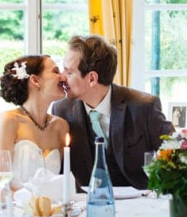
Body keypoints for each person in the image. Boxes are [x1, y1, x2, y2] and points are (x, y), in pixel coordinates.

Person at [53, 35, 174, 190]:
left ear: (92, 78)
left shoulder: (144, 107)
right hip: (86, 202)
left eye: (69, 72)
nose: (61, 77)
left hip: (139, 202)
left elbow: (176, 152)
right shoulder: (62, 110)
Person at [0, 54, 70, 184]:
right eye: (56, 71)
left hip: (49, 204)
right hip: (10, 203)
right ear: (35, 80)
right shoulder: (8, 121)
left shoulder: (61, 127)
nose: (63, 77)